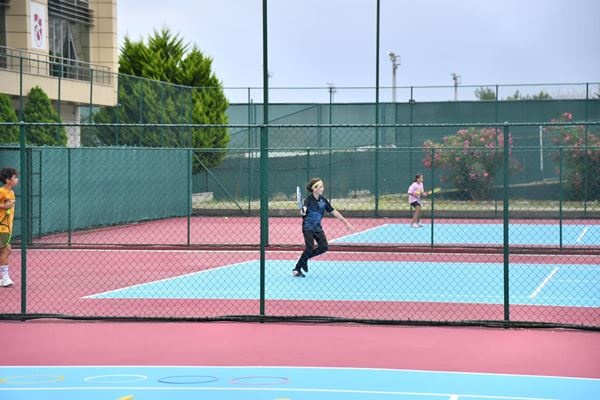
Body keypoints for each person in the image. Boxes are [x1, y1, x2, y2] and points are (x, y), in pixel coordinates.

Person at [293, 177, 354, 277]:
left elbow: (334, 212)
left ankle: (304, 258)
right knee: (310, 247)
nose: (323, 188)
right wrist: (303, 211)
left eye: (322, 186)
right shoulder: (308, 200)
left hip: (317, 228)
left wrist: (346, 223)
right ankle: (297, 269)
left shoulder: (324, 201)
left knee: (324, 247)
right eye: (321, 187)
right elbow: (304, 208)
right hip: (308, 228)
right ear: (315, 188)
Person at [0, 167, 19, 287]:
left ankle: (4, 278)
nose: (17, 179)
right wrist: (3, 206)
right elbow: (4, 206)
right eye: (14, 177)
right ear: (7, 180)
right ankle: (5, 278)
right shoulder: (1, 191)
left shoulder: (11, 192)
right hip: (1, 227)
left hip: (7, 227)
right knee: (6, 250)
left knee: (5, 250)